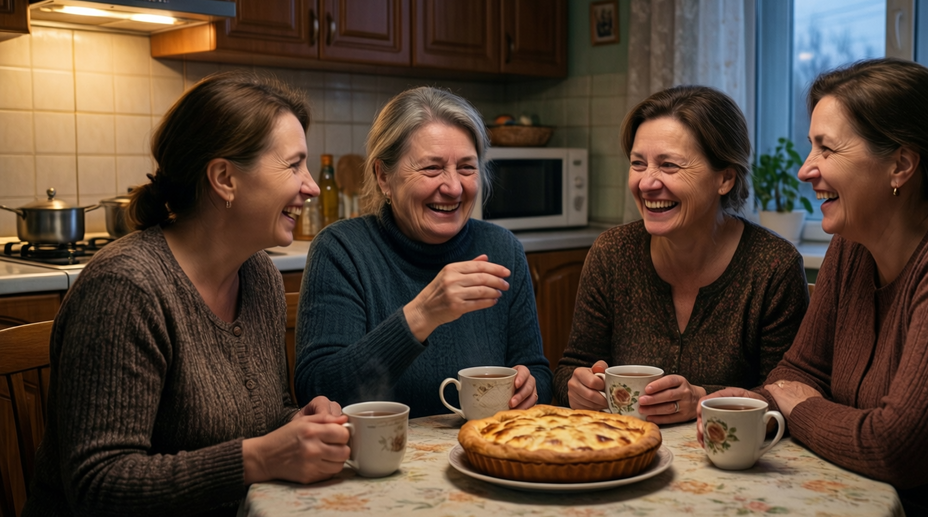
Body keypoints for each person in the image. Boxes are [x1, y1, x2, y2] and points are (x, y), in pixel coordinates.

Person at [698, 58, 928, 514]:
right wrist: (756, 404)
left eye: (826, 149)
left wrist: (799, 409)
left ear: (900, 165)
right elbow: (800, 374)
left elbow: (899, 451)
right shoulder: (853, 243)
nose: (805, 169)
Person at [22, 71, 351, 517]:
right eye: (294, 166)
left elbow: (258, 418)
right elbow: (98, 484)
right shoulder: (127, 288)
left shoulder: (259, 275)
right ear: (224, 178)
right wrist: (259, 458)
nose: (311, 187)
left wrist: (296, 422)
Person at [554, 85, 808, 424]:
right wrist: (576, 387)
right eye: (638, 163)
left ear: (725, 178)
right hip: (623, 447)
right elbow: (571, 368)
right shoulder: (612, 253)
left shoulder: (773, 266)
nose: (646, 183)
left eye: (669, 165)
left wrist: (702, 399)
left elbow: (786, 395)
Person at [294, 86, 552, 418]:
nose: (454, 187)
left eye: (466, 168)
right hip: (382, 450)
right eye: (432, 168)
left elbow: (537, 372)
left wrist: (530, 387)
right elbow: (318, 391)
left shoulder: (503, 249)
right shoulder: (342, 250)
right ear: (384, 176)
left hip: (486, 445)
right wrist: (422, 314)